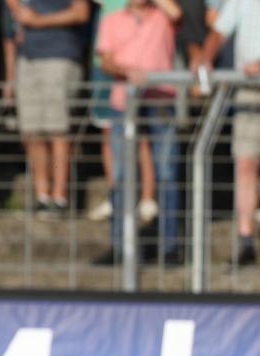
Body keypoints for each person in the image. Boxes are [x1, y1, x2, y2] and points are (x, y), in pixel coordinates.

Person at [93, 0, 183, 266]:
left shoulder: (164, 15)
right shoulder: (112, 20)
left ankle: (170, 248)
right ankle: (120, 246)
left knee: (167, 173)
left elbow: (178, 14)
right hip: (124, 101)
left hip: (161, 100)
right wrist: (127, 71)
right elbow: (105, 61)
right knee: (120, 175)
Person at [193, 0, 260, 265]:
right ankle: (246, 241)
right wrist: (205, 60)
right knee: (245, 165)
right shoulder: (240, 1)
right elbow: (218, 32)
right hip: (249, 92)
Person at [7, 0, 90, 215]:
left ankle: (59, 198)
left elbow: (81, 12)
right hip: (27, 57)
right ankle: (42, 197)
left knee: (57, 129)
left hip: (60, 56)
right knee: (32, 131)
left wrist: (38, 21)